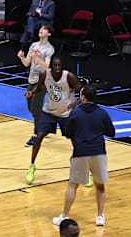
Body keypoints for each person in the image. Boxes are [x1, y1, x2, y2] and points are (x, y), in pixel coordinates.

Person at [52, 85, 114, 227]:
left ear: (83, 97)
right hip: (99, 152)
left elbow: (67, 132)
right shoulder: (102, 113)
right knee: (100, 186)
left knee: (72, 186)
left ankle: (64, 216)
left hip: (81, 152)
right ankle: (100, 217)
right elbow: (111, 132)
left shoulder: (75, 113)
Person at [24, 57, 83, 184]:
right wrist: (31, 93)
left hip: (65, 114)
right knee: (39, 136)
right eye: (55, 66)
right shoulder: (44, 75)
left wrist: (75, 104)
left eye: (59, 66)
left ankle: (81, 170)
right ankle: (31, 166)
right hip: (49, 112)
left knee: (75, 141)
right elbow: (40, 88)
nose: (57, 68)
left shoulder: (69, 77)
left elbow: (83, 92)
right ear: (51, 66)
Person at [17, 24, 55, 147]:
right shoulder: (34, 45)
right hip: (31, 80)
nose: (41, 30)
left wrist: (37, 58)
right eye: (40, 28)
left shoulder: (49, 49)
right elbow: (27, 63)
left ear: (48, 33)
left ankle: (36, 135)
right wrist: (22, 57)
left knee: (35, 109)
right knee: (31, 108)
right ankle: (45, 125)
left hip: (41, 82)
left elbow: (46, 66)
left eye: (44, 29)